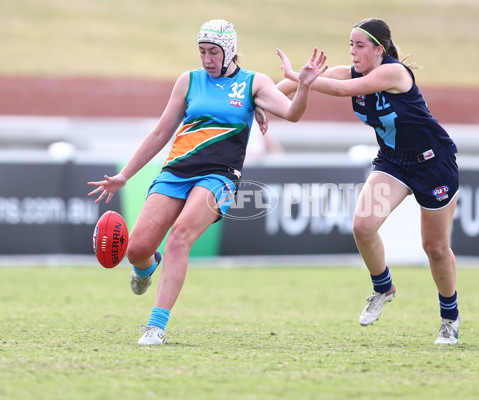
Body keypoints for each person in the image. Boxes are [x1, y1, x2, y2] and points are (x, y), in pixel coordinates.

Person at [88, 19, 327, 345]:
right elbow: (160, 133)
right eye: (202, 51)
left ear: (229, 51)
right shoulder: (188, 81)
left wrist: (305, 85)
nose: (207, 58)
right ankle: (147, 267)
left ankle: (156, 326)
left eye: (213, 52)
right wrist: (124, 175)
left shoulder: (253, 83)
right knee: (138, 249)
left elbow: (293, 113)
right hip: (175, 172)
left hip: (220, 176)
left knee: (179, 237)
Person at [277, 18, 461, 344]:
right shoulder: (350, 70)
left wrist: (301, 79)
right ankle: (383, 288)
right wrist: (259, 106)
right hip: (393, 162)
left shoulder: (394, 73)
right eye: (350, 45)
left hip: (433, 163)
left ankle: (450, 317)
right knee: (362, 226)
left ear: (379, 49)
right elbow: (293, 88)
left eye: (360, 45)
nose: (353, 52)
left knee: (434, 248)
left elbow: (341, 89)